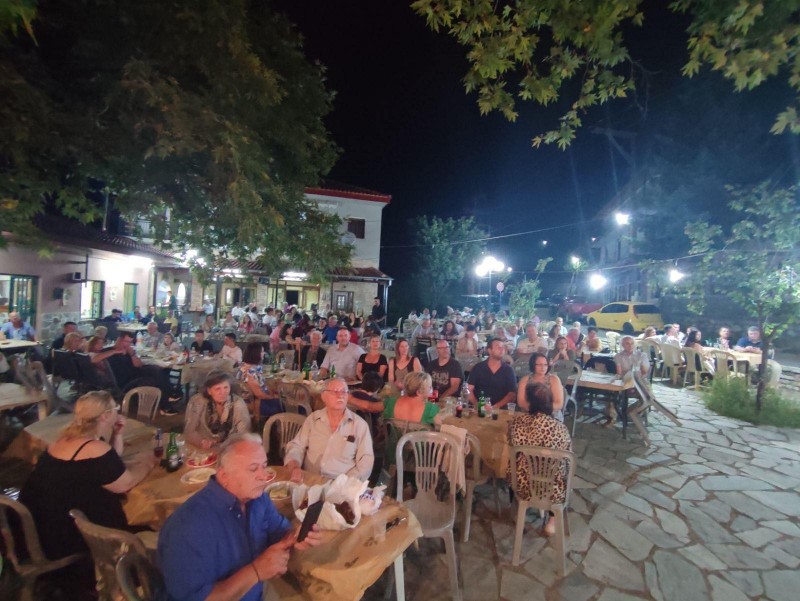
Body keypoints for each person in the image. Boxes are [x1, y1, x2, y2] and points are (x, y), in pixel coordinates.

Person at [158, 434, 321, 601]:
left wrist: (295, 538)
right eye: (253, 469)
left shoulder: (258, 499)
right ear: (224, 476)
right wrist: (256, 571)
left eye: (264, 466)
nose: (264, 476)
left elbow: (279, 532)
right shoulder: (187, 528)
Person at [20, 391, 156, 579]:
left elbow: (110, 463)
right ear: (105, 416)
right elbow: (125, 484)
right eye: (115, 408)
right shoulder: (94, 448)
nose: (118, 412)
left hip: (37, 524)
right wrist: (148, 464)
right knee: (143, 521)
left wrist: (117, 434)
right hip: (64, 534)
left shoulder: (63, 440)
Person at [507, 382, 571, 536]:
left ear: (530, 403)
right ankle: (552, 521)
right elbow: (568, 462)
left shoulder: (516, 424)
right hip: (552, 489)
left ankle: (518, 513)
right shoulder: (561, 429)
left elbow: (512, 448)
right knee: (563, 477)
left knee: (513, 467)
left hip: (523, 486)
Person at [284, 378, 374, 481]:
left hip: (341, 484)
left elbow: (366, 461)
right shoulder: (313, 419)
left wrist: (346, 482)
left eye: (344, 392)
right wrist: (294, 466)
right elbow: (297, 446)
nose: (340, 395)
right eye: (335, 391)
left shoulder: (359, 425)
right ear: (324, 396)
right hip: (309, 480)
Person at [184, 372, 251, 450]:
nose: (223, 392)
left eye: (226, 387)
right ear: (209, 391)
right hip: (202, 446)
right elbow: (190, 431)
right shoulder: (198, 401)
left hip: (230, 447)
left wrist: (227, 447)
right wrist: (202, 442)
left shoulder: (238, 403)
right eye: (217, 389)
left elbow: (243, 433)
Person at [467, 338, 517, 409]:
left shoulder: (508, 370)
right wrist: (478, 405)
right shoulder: (478, 368)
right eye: (498, 347)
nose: (501, 349)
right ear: (489, 350)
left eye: (502, 347)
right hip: (478, 408)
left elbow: (511, 394)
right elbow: (469, 390)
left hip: (500, 410)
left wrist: (494, 407)